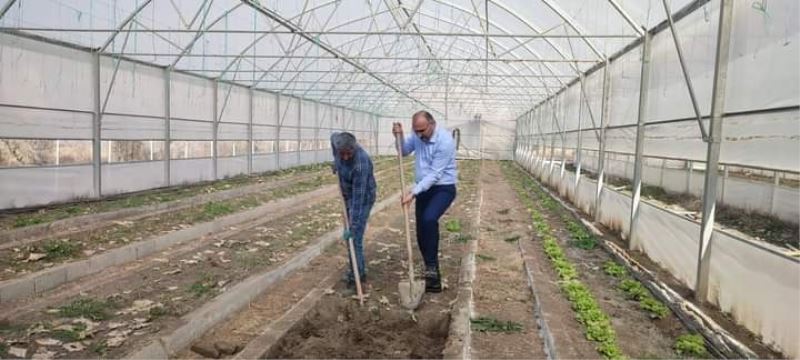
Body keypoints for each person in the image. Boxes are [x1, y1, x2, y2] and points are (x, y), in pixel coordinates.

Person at [392, 110, 457, 293]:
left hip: (442, 188)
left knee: (429, 219)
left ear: (432, 124)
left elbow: (435, 175)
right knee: (421, 230)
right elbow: (404, 151)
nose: (419, 135)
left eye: (422, 130)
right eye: (416, 131)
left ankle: (433, 273)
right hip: (423, 188)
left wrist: (413, 192)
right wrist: (400, 136)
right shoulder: (417, 135)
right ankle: (429, 269)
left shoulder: (445, 141)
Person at [330, 132, 377, 288]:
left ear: (354, 148)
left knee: (353, 237)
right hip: (347, 194)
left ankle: (358, 275)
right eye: (341, 154)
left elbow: (358, 200)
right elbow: (333, 138)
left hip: (362, 199)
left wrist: (352, 224)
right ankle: (355, 269)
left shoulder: (360, 163)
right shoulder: (337, 143)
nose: (344, 157)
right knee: (350, 237)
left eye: (348, 154)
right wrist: (335, 164)